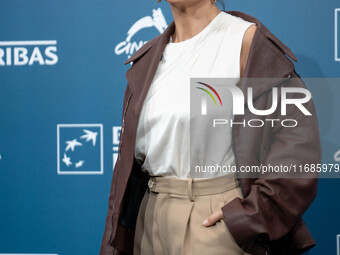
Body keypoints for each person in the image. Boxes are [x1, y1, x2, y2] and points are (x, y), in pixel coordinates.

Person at [100, 1, 322, 255]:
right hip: (148, 224)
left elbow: (298, 145)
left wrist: (246, 218)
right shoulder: (146, 60)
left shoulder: (245, 41)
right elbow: (125, 172)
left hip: (217, 223)